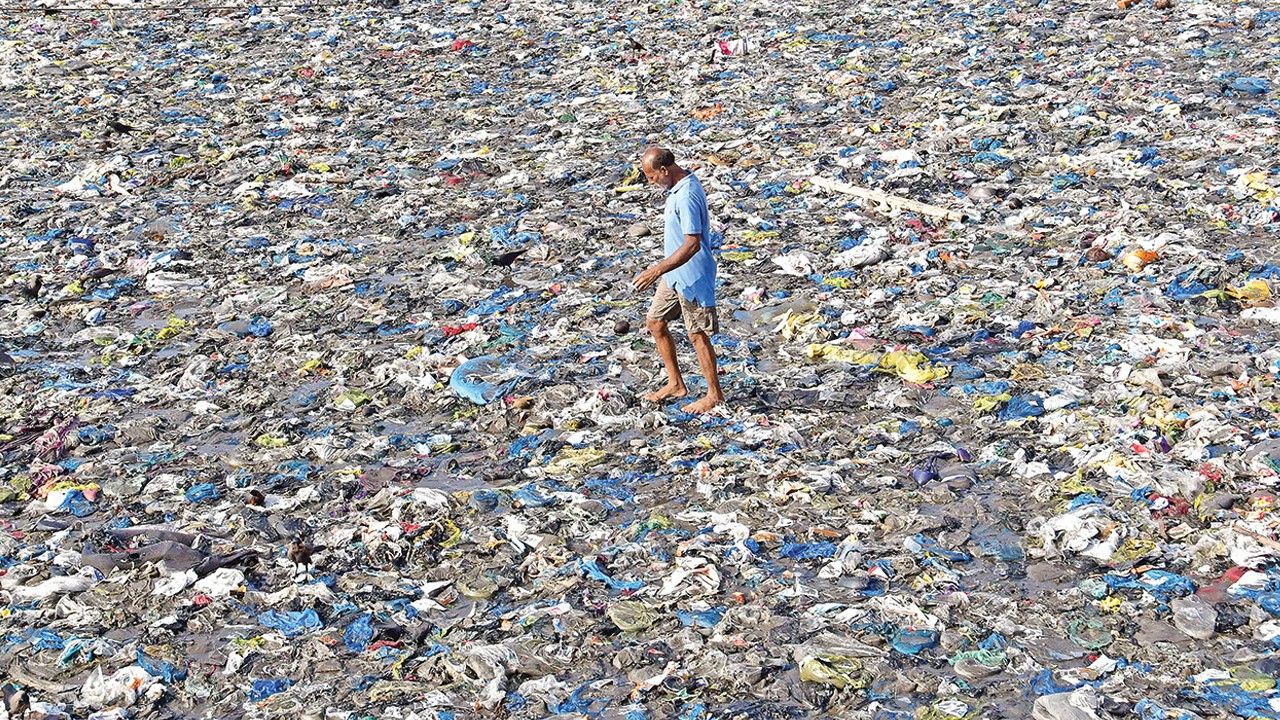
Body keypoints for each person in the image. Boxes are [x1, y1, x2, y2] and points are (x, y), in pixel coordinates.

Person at [631, 147, 725, 414]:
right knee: (656, 323)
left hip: (692, 274)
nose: (651, 183)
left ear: (664, 170)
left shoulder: (687, 194)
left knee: (697, 334)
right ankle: (675, 384)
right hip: (674, 275)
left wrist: (656, 269)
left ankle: (714, 395)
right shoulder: (677, 188)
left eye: (651, 177)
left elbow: (693, 244)